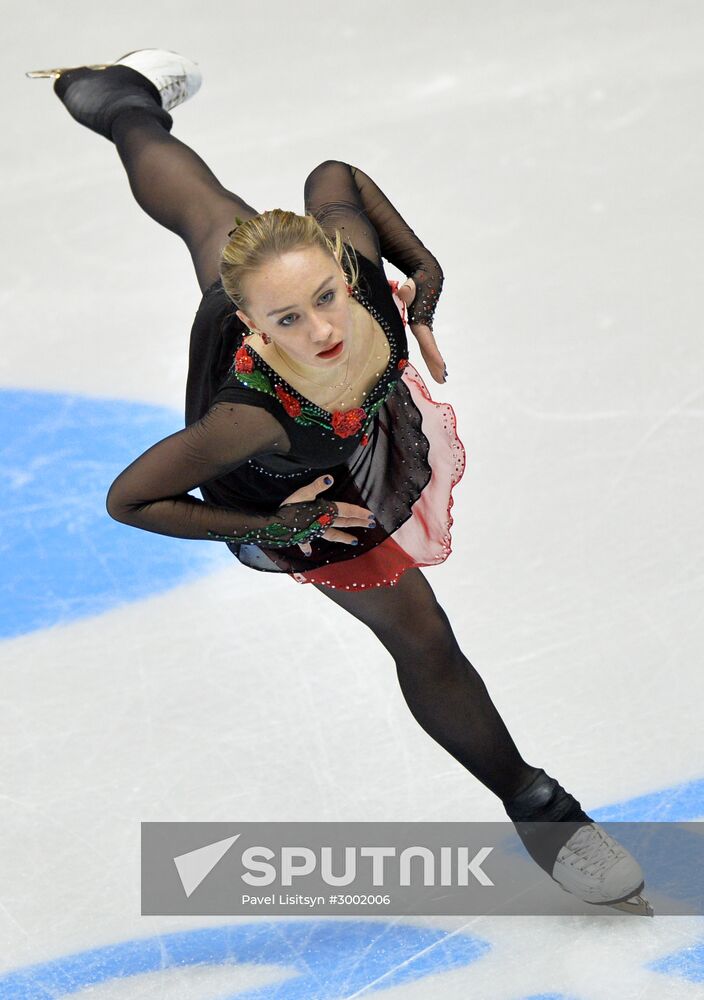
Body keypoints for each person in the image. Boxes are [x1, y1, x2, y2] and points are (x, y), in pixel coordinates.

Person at [28, 49, 653, 916]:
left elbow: (336, 174)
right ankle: (547, 814)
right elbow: (128, 499)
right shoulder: (246, 419)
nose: (325, 330)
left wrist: (422, 272)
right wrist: (271, 531)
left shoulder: (354, 280)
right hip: (292, 493)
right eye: (289, 317)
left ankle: (116, 97)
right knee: (423, 634)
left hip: (333, 398)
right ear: (250, 324)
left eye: (327, 298)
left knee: (215, 216)